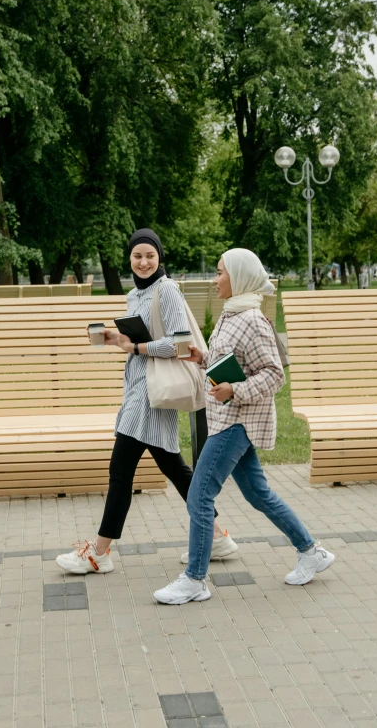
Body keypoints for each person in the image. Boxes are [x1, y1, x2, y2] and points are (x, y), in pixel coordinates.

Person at [154, 248, 335, 604]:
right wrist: (201, 357)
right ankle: (311, 552)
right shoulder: (231, 313)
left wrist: (234, 390)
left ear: (239, 277)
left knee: (199, 496)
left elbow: (274, 376)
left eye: (221, 273)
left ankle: (195, 580)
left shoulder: (252, 318)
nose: (215, 279)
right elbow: (229, 362)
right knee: (258, 494)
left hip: (236, 421)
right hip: (228, 417)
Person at [56, 229, 237, 575]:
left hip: (152, 393)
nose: (143, 262)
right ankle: (216, 535)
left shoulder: (166, 289)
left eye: (150, 256)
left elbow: (179, 344)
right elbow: (140, 338)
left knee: (121, 470)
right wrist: (114, 338)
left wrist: (136, 348)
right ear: (130, 258)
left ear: (159, 258)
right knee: (174, 468)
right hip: (142, 389)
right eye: (137, 256)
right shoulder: (133, 295)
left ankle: (99, 552)